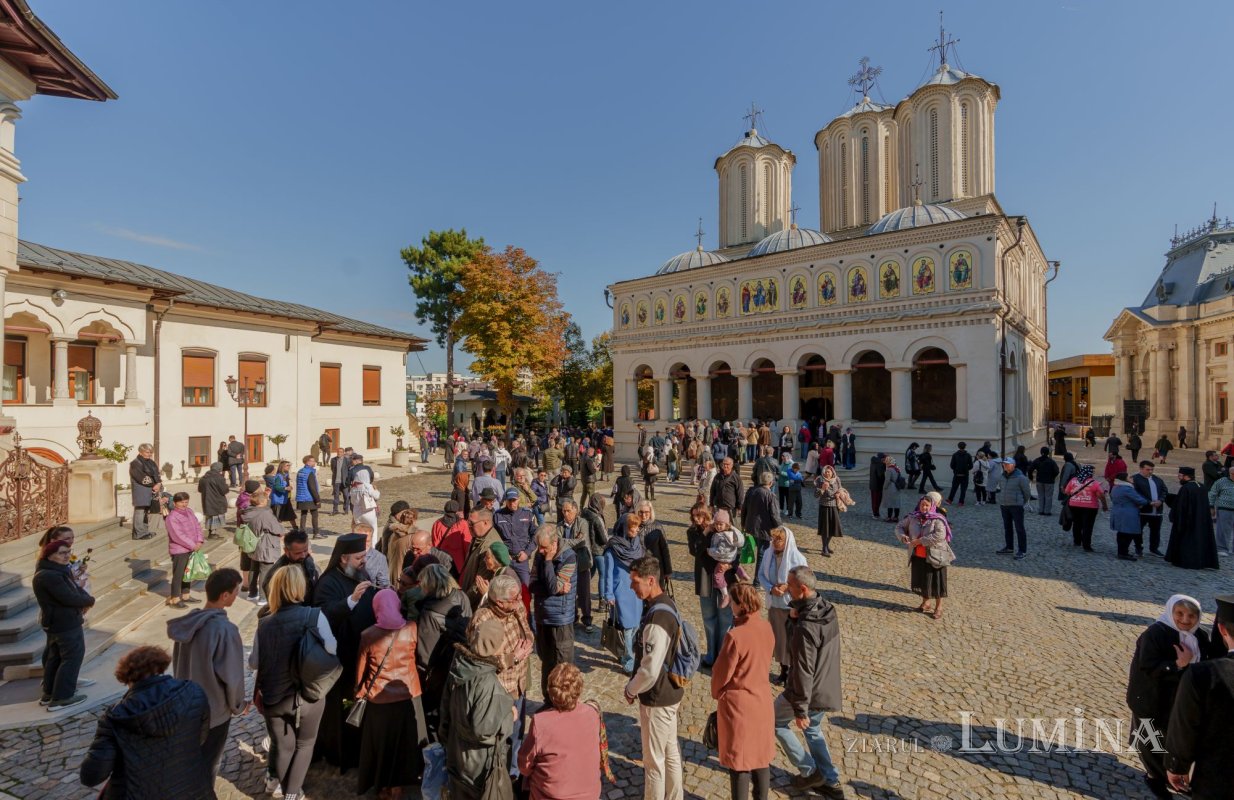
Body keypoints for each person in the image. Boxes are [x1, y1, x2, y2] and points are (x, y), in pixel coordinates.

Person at [79, 645, 213, 799]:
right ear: (160, 667)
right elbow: (200, 738)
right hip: (192, 789)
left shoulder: (115, 717)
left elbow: (92, 776)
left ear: (127, 679)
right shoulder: (193, 692)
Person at [1127, 594, 1214, 800]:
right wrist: (1177, 665)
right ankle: (1154, 777)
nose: (1185, 620)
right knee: (1152, 739)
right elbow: (1146, 665)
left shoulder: (1200, 636)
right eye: (1180, 614)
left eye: (1191, 616)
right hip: (1153, 698)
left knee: (1173, 739)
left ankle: (1170, 774)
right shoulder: (1155, 634)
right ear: (1170, 612)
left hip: (1180, 698)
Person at [774, 565, 844, 799]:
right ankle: (831, 782)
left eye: (790, 586)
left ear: (803, 589)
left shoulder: (806, 627)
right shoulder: (826, 608)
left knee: (774, 721)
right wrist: (794, 616)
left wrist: (800, 709)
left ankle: (810, 771)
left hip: (806, 691)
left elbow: (803, 669)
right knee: (813, 731)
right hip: (826, 686)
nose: (786, 589)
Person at [167, 568, 245, 774]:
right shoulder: (224, 630)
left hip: (186, 705)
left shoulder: (189, 623)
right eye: (236, 591)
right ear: (225, 595)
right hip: (213, 711)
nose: (238, 595)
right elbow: (232, 676)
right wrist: (238, 704)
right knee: (208, 765)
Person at [312, 533, 377, 771]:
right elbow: (323, 615)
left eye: (364, 556)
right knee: (341, 710)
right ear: (343, 559)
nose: (363, 561)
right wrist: (350, 601)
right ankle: (341, 754)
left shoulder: (362, 574)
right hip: (341, 657)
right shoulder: (328, 583)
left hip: (364, 653)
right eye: (359, 557)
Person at [355, 588, 426, 799]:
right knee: (403, 743)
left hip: (379, 698)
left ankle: (383, 785)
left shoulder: (368, 635)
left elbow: (361, 670)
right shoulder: (412, 628)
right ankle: (399, 784)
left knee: (382, 745)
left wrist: (358, 692)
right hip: (408, 693)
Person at [624, 555, 684, 800]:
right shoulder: (666, 604)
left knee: (653, 762)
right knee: (670, 753)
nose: (631, 587)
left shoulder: (658, 618)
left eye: (635, 581)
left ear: (650, 580)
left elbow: (649, 669)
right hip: (670, 692)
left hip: (658, 697)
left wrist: (631, 689)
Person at [1164, 593, 1234, 798]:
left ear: (1221, 629)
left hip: (1218, 780)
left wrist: (1176, 766)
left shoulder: (1203, 674)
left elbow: (1185, 725)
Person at [711, 581, 775, 800]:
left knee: (740, 764)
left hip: (740, 707)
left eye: (733, 603)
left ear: (740, 605)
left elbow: (721, 674)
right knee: (760, 759)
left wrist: (718, 693)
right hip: (763, 701)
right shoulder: (767, 627)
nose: (730, 606)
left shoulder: (735, 636)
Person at [439, 618, 515, 800]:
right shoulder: (488, 683)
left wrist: (446, 742)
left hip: (457, 755)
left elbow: (445, 708)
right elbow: (483, 731)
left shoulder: (459, 665)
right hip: (478, 765)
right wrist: (509, 716)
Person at [517, 663, 602, 800]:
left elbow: (524, 765)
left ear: (551, 692)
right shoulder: (592, 713)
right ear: (579, 690)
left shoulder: (541, 722)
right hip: (590, 794)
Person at [33, 539, 95, 709]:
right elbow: (69, 597)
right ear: (50, 556)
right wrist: (89, 600)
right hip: (64, 622)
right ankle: (62, 697)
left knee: (56, 658)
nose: (67, 555)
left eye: (68, 551)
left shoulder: (56, 571)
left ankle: (49, 693)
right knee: (71, 658)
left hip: (59, 621)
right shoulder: (50, 575)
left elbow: (74, 589)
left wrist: (85, 598)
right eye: (62, 552)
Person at [413, 564, 471, 737]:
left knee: (434, 716)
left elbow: (425, 654)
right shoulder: (462, 597)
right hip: (460, 664)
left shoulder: (429, 613)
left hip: (438, 672)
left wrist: (422, 674)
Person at [530, 525, 577, 704]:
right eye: (539, 547)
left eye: (544, 547)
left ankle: (564, 702)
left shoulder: (569, 557)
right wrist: (555, 589)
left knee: (562, 665)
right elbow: (533, 585)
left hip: (560, 618)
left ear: (555, 543)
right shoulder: (539, 555)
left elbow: (551, 587)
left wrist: (549, 562)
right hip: (543, 616)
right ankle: (548, 701)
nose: (540, 551)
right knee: (546, 663)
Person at [469, 573, 534, 702]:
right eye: (515, 598)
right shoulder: (482, 620)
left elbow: (526, 628)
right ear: (500, 602)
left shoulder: (517, 604)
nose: (520, 598)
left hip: (520, 681)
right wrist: (513, 658)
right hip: (502, 690)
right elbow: (480, 661)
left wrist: (529, 641)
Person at [757, 526, 807, 684]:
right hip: (774, 605)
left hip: (790, 607)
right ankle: (783, 670)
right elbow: (761, 575)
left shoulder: (797, 557)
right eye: (774, 539)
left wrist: (787, 586)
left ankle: (793, 672)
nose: (776, 542)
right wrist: (771, 588)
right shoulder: (768, 554)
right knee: (778, 640)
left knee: (791, 641)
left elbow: (805, 580)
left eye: (779, 539)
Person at [686, 503, 732, 668]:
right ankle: (712, 654)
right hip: (705, 578)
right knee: (709, 618)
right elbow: (696, 550)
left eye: (699, 516)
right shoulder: (693, 532)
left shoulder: (722, 527)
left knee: (725, 617)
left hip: (724, 579)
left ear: (706, 516)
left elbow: (736, 550)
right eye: (694, 517)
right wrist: (705, 533)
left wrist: (730, 565)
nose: (697, 520)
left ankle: (723, 654)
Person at [895, 493, 951, 619]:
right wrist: (903, 536)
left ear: (932, 506)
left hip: (936, 555)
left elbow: (940, 535)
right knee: (922, 579)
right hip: (918, 555)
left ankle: (939, 607)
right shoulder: (913, 517)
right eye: (922, 505)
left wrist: (920, 541)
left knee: (937, 582)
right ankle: (926, 602)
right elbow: (899, 527)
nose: (924, 508)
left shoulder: (938, 519)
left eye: (927, 505)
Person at [603, 513, 645, 672]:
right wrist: (609, 594)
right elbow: (608, 573)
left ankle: (626, 652)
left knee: (635, 626)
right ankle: (628, 661)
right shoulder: (613, 548)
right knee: (627, 628)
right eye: (633, 527)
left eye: (637, 527)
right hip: (621, 592)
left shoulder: (637, 545)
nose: (636, 530)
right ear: (624, 528)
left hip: (636, 590)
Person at [1165, 467, 1221, 570]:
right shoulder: (1202, 486)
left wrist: (1177, 519)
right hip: (1200, 520)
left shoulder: (1186, 488)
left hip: (1188, 521)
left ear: (1186, 476)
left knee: (1187, 542)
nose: (1179, 478)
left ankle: (1186, 561)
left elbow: (1181, 506)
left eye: (1180, 476)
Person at [558, 499, 597, 632]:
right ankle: (573, 618)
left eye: (568, 510)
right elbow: (557, 543)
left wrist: (565, 542)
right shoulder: (560, 526)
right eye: (564, 511)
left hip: (582, 563)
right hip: (567, 565)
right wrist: (571, 541)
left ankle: (587, 619)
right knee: (570, 593)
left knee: (584, 593)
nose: (566, 513)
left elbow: (582, 542)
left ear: (575, 510)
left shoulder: (582, 523)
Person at [164, 492, 204, 608]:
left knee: (188, 572)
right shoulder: (172, 517)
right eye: (181, 502)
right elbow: (177, 535)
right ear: (175, 503)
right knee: (179, 574)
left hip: (192, 547)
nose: (184, 504)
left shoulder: (190, 512)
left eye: (186, 502)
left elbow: (197, 526)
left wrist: (199, 540)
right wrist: (192, 545)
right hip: (180, 550)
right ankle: (175, 598)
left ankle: (185, 595)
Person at [261, 528, 319, 603]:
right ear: (286, 551)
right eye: (298, 553)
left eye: (305, 550)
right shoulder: (277, 573)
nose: (303, 555)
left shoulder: (308, 559)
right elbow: (269, 591)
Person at [495, 488, 536, 587]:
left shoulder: (527, 514)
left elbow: (535, 535)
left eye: (514, 500)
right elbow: (495, 537)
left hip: (521, 560)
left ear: (518, 499)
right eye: (509, 500)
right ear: (506, 501)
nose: (512, 503)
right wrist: (502, 553)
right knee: (504, 589)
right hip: (504, 560)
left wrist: (527, 553)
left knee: (525, 587)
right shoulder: (498, 515)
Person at [1063, 465, 1107, 552]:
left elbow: (1067, 492)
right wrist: (1104, 505)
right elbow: (1101, 495)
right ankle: (1086, 545)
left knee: (1076, 523)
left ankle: (1077, 541)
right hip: (1090, 507)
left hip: (1074, 505)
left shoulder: (1073, 480)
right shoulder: (1094, 483)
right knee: (1088, 526)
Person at [994, 459, 1032, 560]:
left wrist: (1020, 502)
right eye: (1004, 464)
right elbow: (1001, 489)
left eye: (1007, 464)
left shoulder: (1021, 478)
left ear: (1013, 465)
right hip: (1004, 505)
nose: (1005, 466)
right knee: (1007, 527)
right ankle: (1009, 547)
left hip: (1016, 506)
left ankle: (1022, 550)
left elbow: (1027, 493)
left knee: (1019, 529)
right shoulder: (1002, 476)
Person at [741, 470, 780, 569]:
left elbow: (744, 509)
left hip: (751, 526)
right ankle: (757, 581)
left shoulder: (751, 491)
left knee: (760, 552)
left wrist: (743, 523)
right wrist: (779, 528)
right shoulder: (770, 495)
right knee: (762, 555)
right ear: (771, 483)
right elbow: (774, 514)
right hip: (764, 528)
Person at [1110, 472, 1149, 561]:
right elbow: (1140, 500)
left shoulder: (1115, 487)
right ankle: (1123, 553)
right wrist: (1146, 502)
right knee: (1127, 534)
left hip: (1118, 511)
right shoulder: (1127, 489)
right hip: (1128, 513)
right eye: (1130, 477)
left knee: (1121, 533)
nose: (1132, 479)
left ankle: (1122, 552)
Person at [1133, 461, 1168, 558]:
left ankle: (1154, 548)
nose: (1150, 471)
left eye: (1152, 469)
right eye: (1148, 469)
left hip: (1157, 511)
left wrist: (1161, 500)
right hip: (1143, 511)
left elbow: (1164, 490)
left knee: (1156, 531)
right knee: (1138, 530)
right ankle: (1138, 548)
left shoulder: (1157, 479)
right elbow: (1135, 493)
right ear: (1141, 468)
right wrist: (1148, 502)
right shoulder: (1135, 479)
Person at [128, 443, 161, 540]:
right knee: (140, 510)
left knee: (146, 511)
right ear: (140, 452)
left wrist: (158, 483)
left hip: (150, 489)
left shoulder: (151, 462)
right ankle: (139, 533)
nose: (149, 454)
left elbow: (156, 474)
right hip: (141, 490)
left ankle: (145, 531)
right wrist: (154, 485)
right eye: (147, 452)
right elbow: (141, 477)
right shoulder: (135, 463)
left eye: (151, 452)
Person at [432, 499, 472, 577]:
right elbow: (467, 544)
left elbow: (435, 544)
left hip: (441, 560)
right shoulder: (463, 524)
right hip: (459, 562)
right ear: (457, 510)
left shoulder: (437, 524)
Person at [197, 462, 230, 539]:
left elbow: (200, 489)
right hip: (217, 500)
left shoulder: (203, 478)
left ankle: (211, 533)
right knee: (216, 517)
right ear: (219, 469)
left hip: (206, 500)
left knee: (210, 517)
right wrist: (226, 486)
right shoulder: (219, 478)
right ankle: (212, 534)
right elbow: (224, 490)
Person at [295, 455, 323, 539]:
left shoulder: (300, 471)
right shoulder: (310, 472)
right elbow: (312, 487)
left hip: (301, 496)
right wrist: (317, 499)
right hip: (309, 497)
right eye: (313, 461)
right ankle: (316, 533)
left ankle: (302, 533)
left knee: (303, 514)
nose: (315, 462)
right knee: (314, 514)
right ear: (308, 462)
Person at [1209, 465, 1234, 556]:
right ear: (1230, 473)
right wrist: (1211, 506)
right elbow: (1212, 494)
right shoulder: (1221, 482)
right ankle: (1222, 548)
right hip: (1225, 508)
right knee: (1223, 529)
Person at [1028, 447, 1059, 515]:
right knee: (1048, 496)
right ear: (1048, 453)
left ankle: (1041, 510)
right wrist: (1052, 477)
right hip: (1049, 481)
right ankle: (1047, 511)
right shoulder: (1051, 461)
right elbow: (1056, 471)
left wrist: (1031, 477)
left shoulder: (1037, 460)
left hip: (1039, 480)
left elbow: (1030, 469)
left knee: (1041, 496)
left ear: (1041, 452)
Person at [350, 467, 382, 534]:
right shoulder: (367, 486)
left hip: (357, 513)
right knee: (373, 530)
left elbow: (352, 502)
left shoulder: (353, 488)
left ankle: (360, 544)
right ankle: (373, 544)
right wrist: (376, 489)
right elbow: (377, 496)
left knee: (359, 532)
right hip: (368, 511)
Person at [331, 447, 354, 515]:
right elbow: (333, 469)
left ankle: (346, 510)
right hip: (336, 482)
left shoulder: (347, 460)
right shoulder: (333, 460)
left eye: (341, 452)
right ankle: (335, 510)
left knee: (346, 496)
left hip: (345, 482)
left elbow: (350, 470)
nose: (339, 453)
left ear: (343, 453)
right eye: (338, 452)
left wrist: (349, 480)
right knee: (336, 497)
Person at [881, 456, 903, 522]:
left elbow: (887, 480)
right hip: (897, 487)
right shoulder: (897, 468)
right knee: (896, 503)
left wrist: (884, 487)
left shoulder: (889, 469)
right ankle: (896, 517)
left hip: (891, 487)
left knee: (890, 503)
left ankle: (889, 517)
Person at [868, 453, 886, 518]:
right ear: (882, 458)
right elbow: (880, 475)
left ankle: (875, 512)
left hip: (872, 484)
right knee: (878, 500)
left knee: (874, 500)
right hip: (878, 485)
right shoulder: (880, 464)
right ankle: (876, 513)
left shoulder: (873, 462)